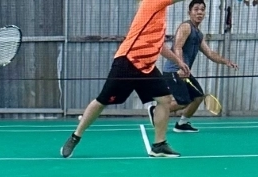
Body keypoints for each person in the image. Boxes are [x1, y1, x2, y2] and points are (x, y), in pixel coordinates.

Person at [60, 0, 188, 159]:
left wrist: (178, 62)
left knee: (165, 99)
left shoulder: (159, 12)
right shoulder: (152, 2)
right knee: (102, 101)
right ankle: (75, 136)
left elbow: (158, 45)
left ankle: (159, 145)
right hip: (128, 62)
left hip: (147, 67)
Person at [158, 0, 238, 133]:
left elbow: (210, 53)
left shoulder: (199, 34)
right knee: (183, 101)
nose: (199, 12)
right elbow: (177, 47)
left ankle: (182, 124)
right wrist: (181, 66)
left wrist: (226, 61)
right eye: (196, 9)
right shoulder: (186, 27)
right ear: (189, 12)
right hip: (174, 71)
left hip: (184, 71)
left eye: (202, 9)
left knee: (198, 97)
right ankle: (156, 111)